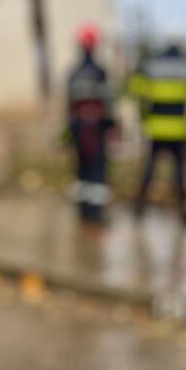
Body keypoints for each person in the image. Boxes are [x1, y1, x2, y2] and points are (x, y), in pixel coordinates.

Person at [129, 30, 186, 223]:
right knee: (180, 172)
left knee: (149, 169)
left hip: (156, 127)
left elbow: (136, 87)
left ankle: (139, 207)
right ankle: (184, 212)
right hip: (178, 129)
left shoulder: (152, 64)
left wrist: (144, 113)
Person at [67, 23, 116, 222]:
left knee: (81, 169)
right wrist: (111, 125)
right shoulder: (100, 72)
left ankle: (83, 212)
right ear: (95, 46)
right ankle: (96, 213)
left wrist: (70, 131)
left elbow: (69, 106)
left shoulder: (73, 73)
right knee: (97, 171)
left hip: (79, 129)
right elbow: (108, 103)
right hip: (97, 130)